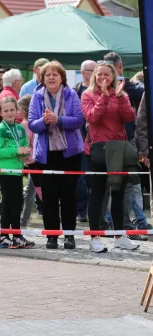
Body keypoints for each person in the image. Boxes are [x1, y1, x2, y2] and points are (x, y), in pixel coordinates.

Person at [81, 62, 139, 253]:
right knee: (97, 194)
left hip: (118, 150)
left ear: (114, 76)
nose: (103, 78)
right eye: (99, 75)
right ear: (94, 76)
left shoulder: (122, 94)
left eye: (107, 74)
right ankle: (95, 237)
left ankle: (120, 236)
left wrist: (120, 97)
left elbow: (129, 117)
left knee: (119, 194)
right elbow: (92, 117)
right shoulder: (87, 95)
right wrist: (104, 98)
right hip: (97, 151)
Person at [28, 61, 84, 250]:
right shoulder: (36, 97)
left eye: (55, 74)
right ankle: (51, 236)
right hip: (46, 155)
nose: (51, 77)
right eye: (47, 75)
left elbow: (78, 120)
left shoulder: (72, 94)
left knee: (69, 196)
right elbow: (32, 125)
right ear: (42, 79)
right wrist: (44, 121)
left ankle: (70, 236)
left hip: (70, 154)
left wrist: (58, 120)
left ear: (62, 78)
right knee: (49, 197)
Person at [103, 52, 150, 237]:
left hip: (126, 142)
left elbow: (132, 115)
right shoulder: (98, 92)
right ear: (120, 67)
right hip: (119, 144)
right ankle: (125, 226)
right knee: (120, 187)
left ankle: (132, 224)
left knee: (126, 186)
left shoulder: (129, 88)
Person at [0, 96, 34, 249]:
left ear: (17, 111)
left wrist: (24, 153)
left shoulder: (20, 128)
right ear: (1, 113)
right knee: (9, 204)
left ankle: (16, 235)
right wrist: (16, 151)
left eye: (12, 110)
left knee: (17, 203)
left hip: (17, 170)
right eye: (6, 110)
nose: (10, 113)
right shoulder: (1, 129)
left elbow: (23, 145)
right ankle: (4, 236)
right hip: (5, 171)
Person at [74, 60, 96, 223]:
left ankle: (97, 211)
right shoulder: (75, 92)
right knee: (80, 177)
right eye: (94, 70)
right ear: (84, 73)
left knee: (95, 178)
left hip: (98, 142)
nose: (97, 73)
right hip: (80, 141)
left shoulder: (101, 91)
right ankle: (82, 210)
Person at [18, 95, 41, 227]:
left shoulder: (25, 125)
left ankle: (23, 220)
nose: (17, 112)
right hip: (35, 161)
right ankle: (24, 219)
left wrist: (23, 158)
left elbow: (25, 145)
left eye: (19, 108)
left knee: (33, 191)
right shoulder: (34, 123)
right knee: (31, 191)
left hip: (30, 162)